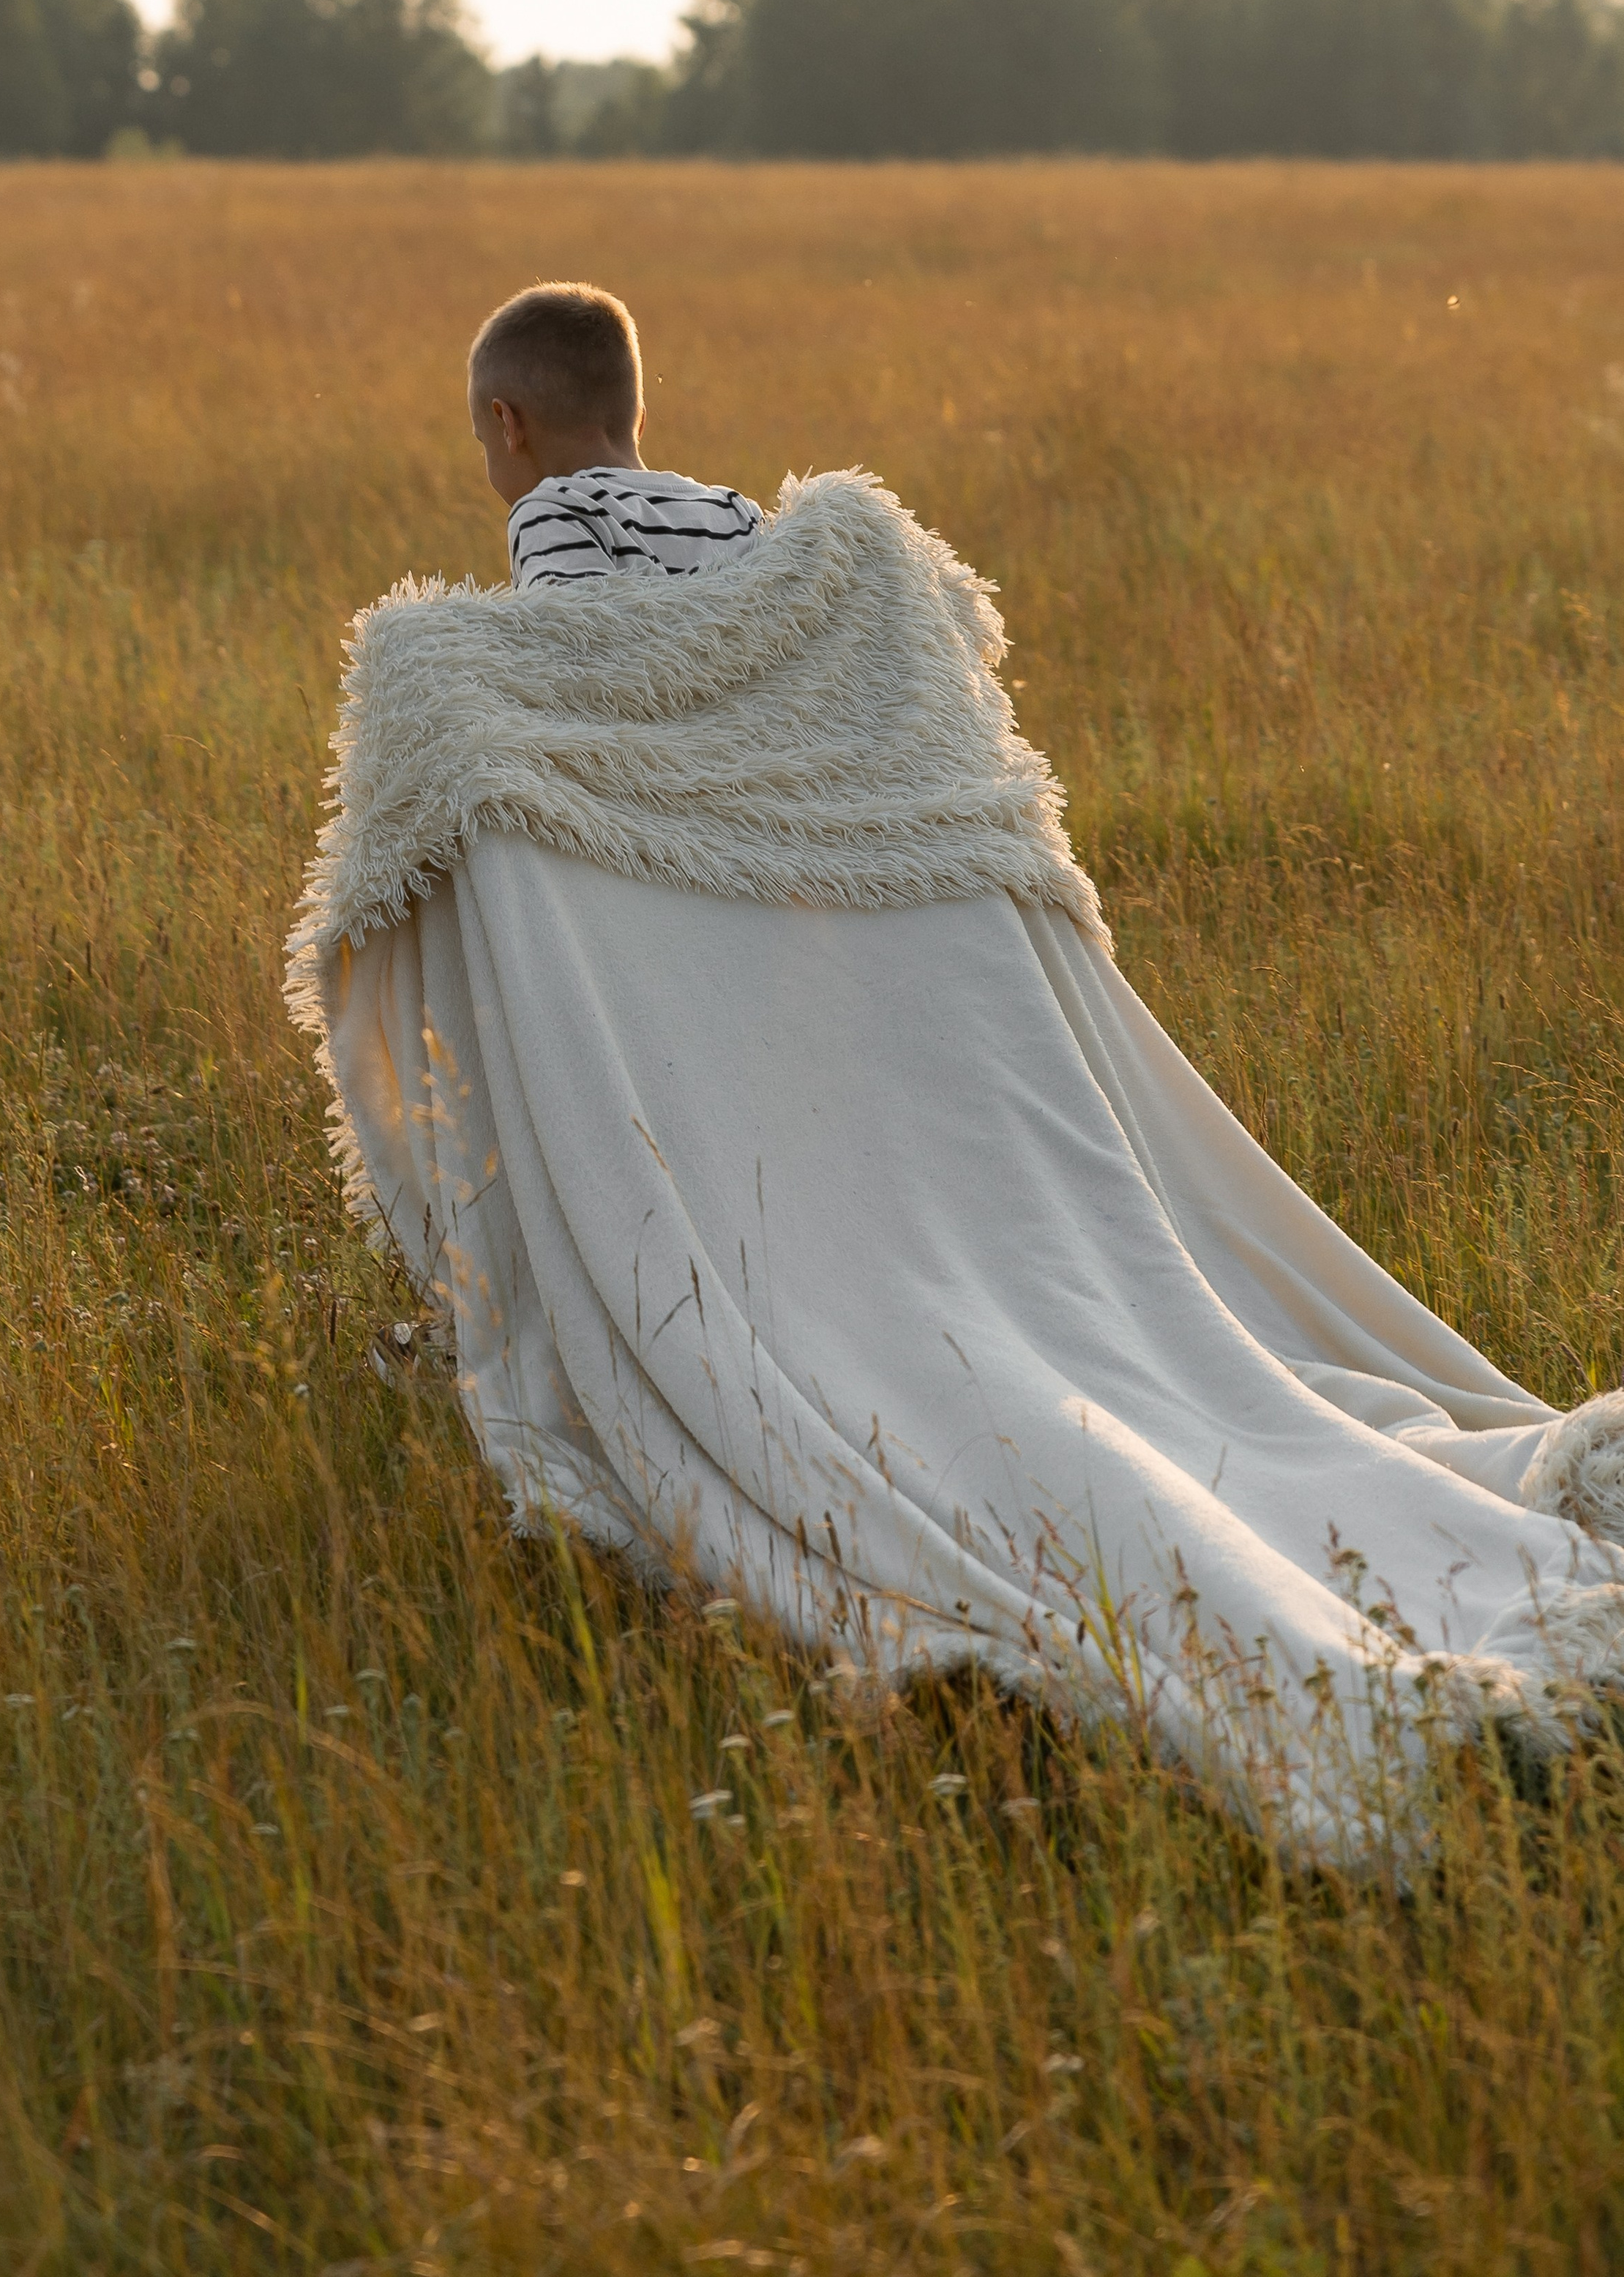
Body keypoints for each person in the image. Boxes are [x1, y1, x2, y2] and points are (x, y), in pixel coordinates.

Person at [289, 294, 1624, 1866]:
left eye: (483, 440)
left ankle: (1358, 1704)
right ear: (633, 409)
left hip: (759, 1138)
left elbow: (550, 797)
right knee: (1194, 1386)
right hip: (919, 1085)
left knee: (935, 1425)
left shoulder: (519, 605)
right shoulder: (804, 576)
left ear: (506, 428)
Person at [468, 281, 763, 588]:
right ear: (640, 422)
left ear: (509, 426)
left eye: (483, 442)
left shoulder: (550, 514)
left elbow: (577, 620)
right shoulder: (739, 513)